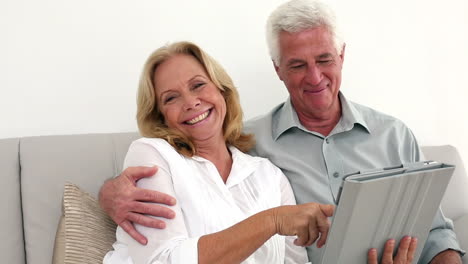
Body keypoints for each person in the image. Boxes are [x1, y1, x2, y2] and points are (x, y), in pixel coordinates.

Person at [99, 0, 465, 263]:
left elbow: (436, 231)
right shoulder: (254, 143)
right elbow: (181, 165)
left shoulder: (392, 134)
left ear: (342, 56)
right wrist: (107, 192)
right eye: (297, 65)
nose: (315, 77)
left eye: (324, 59)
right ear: (277, 70)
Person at [103, 41, 335, 263]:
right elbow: (162, 260)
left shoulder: (269, 176)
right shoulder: (153, 154)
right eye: (171, 98)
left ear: (222, 90)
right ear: (159, 115)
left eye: (198, 85)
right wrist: (272, 220)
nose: (191, 102)